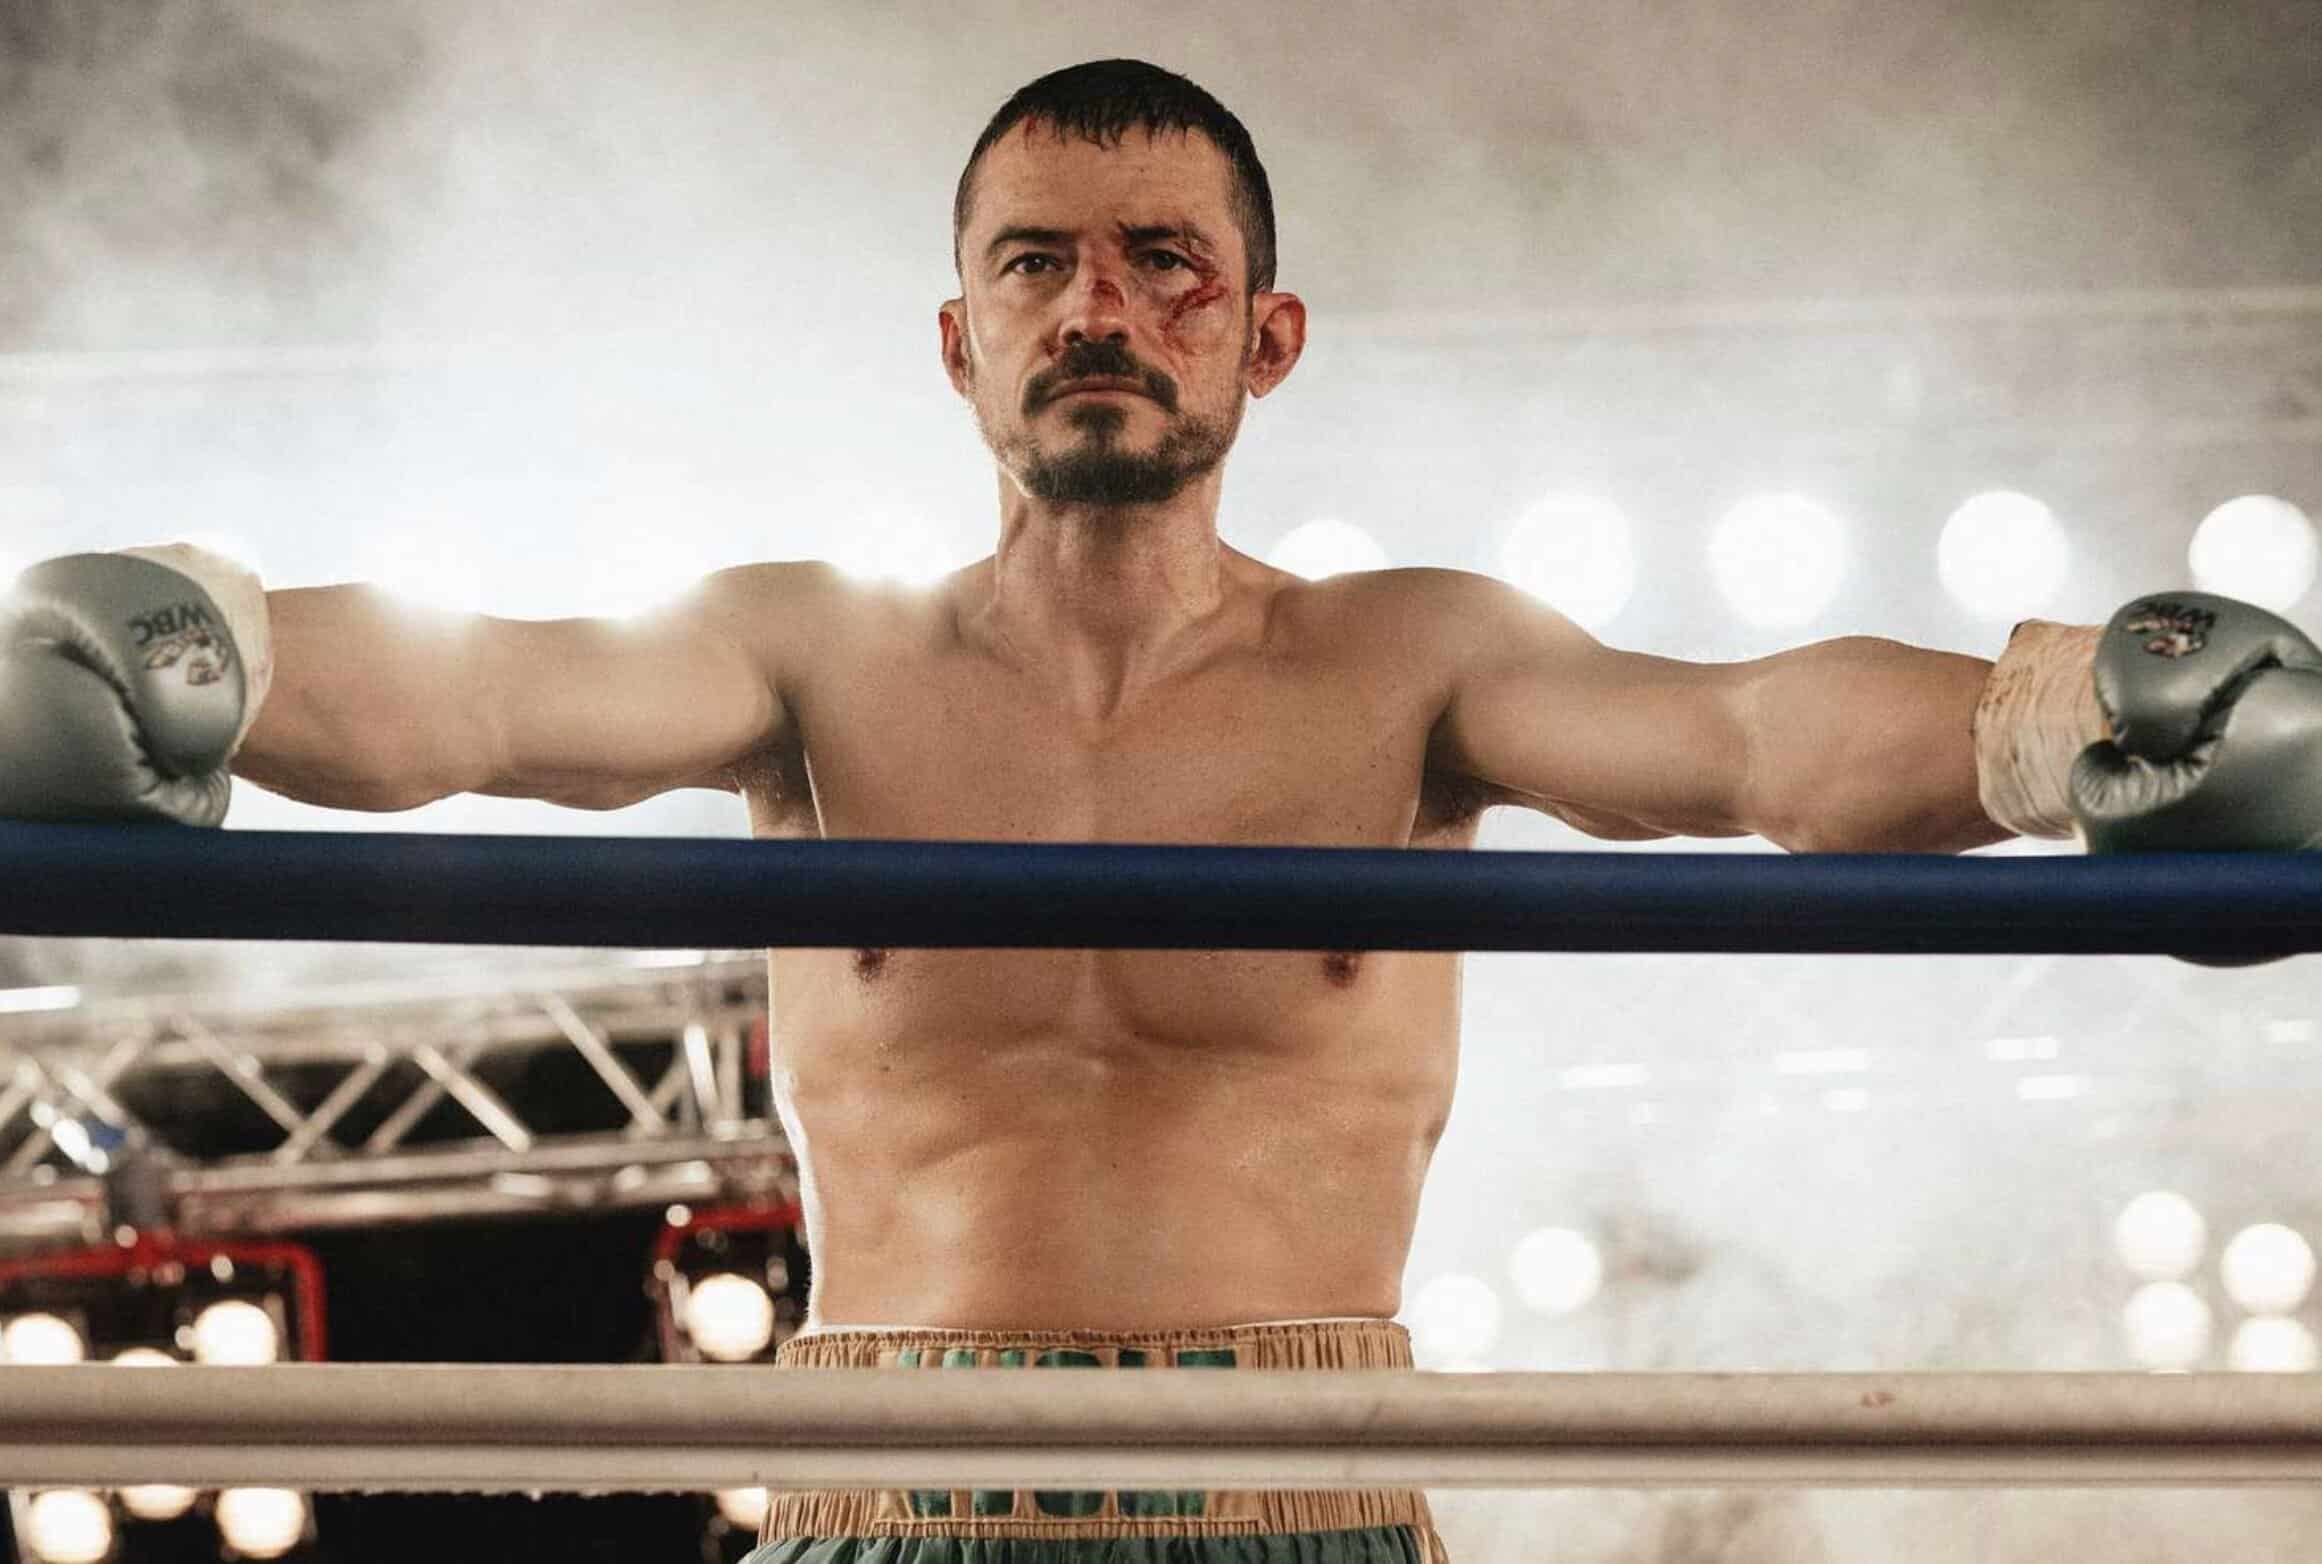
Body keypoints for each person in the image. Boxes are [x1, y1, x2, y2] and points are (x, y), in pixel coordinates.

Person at [2, 57, 2317, 1564]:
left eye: (1163, 262)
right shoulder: (813, 652)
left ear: (1261, 335)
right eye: (1037, 262)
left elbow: (1744, 739)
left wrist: (2053, 717)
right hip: (882, 1483)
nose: (1096, 306)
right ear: (960, 340)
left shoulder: (1412, 657)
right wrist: (211, 639)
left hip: (1302, 1484)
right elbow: (494, 689)